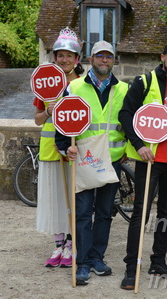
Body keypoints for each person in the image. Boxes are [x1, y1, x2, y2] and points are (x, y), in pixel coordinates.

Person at [120, 42, 167, 290]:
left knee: (166, 214)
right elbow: (126, 114)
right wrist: (138, 145)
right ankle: (132, 268)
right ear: (163, 57)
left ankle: (158, 262)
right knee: (141, 214)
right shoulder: (144, 81)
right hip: (148, 159)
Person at [55, 40, 128, 285]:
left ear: (114, 60)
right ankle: (83, 263)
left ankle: (97, 257)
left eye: (109, 56)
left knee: (105, 213)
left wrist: (130, 147)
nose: (104, 60)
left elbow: (128, 122)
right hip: (83, 161)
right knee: (83, 213)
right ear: (90, 59)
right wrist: (65, 148)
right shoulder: (74, 87)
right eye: (100, 56)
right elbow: (61, 121)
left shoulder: (124, 90)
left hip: (112, 160)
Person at [35, 27, 84, 268]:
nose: (64, 59)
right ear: (54, 57)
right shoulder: (46, 82)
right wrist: (47, 111)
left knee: (73, 199)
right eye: (60, 55)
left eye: (69, 55)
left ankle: (71, 243)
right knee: (54, 198)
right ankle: (58, 244)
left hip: (74, 149)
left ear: (77, 59)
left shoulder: (82, 84)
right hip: (49, 149)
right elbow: (36, 118)